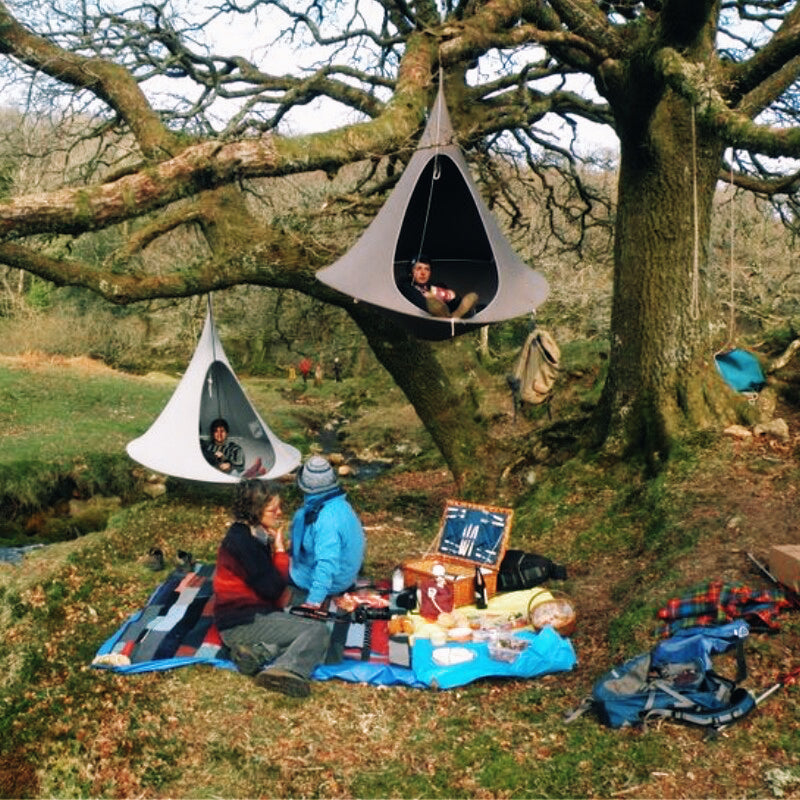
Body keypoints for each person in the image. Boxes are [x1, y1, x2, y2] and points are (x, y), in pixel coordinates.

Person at [213, 480, 331, 698]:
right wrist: (279, 550)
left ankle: (257, 653)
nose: (279, 512)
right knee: (317, 630)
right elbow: (275, 591)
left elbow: (274, 588)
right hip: (242, 622)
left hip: (250, 611)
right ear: (254, 510)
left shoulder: (251, 533)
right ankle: (286, 669)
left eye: (279, 506)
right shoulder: (243, 543)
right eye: (272, 509)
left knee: (313, 607)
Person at [289, 455, 366, 611]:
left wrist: (314, 601)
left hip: (336, 581)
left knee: (277, 569)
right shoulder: (340, 505)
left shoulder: (326, 519)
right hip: (347, 573)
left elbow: (327, 563)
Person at [400, 256, 478, 319]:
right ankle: (449, 316)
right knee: (432, 301)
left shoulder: (435, 286)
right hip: (428, 316)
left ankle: (456, 316)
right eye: (419, 268)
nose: (423, 273)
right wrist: (429, 297)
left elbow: (455, 302)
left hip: (450, 314)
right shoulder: (406, 286)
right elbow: (418, 301)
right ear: (411, 272)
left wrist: (452, 297)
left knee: (472, 297)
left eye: (427, 269)